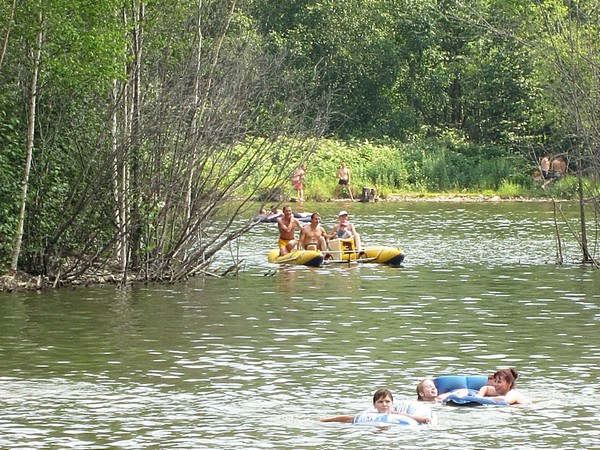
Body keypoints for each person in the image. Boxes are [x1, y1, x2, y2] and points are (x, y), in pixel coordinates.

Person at [320, 388, 432, 424]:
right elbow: (348, 418)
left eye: (387, 402)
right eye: (380, 402)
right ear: (374, 405)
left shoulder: (397, 414)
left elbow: (420, 419)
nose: (384, 404)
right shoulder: (369, 416)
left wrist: (425, 420)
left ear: (392, 404)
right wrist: (326, 420)